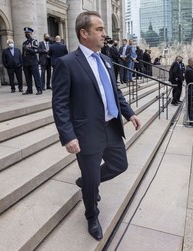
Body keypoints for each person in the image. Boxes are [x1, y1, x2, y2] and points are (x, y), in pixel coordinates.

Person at [52, 11, 141, 241]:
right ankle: (92, 215)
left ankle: (87, 182)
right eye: (99, 29)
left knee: (120, 164)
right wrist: (68, 136)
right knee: (91, 181)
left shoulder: (106, 60)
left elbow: (115, 91)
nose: (105, 34)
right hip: (85, 132)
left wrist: (129, 113)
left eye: (103, 29)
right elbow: (59, 104)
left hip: (111, 127)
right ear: (84, 33)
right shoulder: (67, 63)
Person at [22, 27, 42, 95]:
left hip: (33, 62)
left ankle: (39, 89)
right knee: (28, 78)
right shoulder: (24, 43)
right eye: (26, 33)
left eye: (28, 33)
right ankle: (29, 89)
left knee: (36, 77)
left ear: (31, 33)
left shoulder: (34, 41)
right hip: (26, 63)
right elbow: (23, 54)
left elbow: (37, 50)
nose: (27, 34)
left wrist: (28, 49)